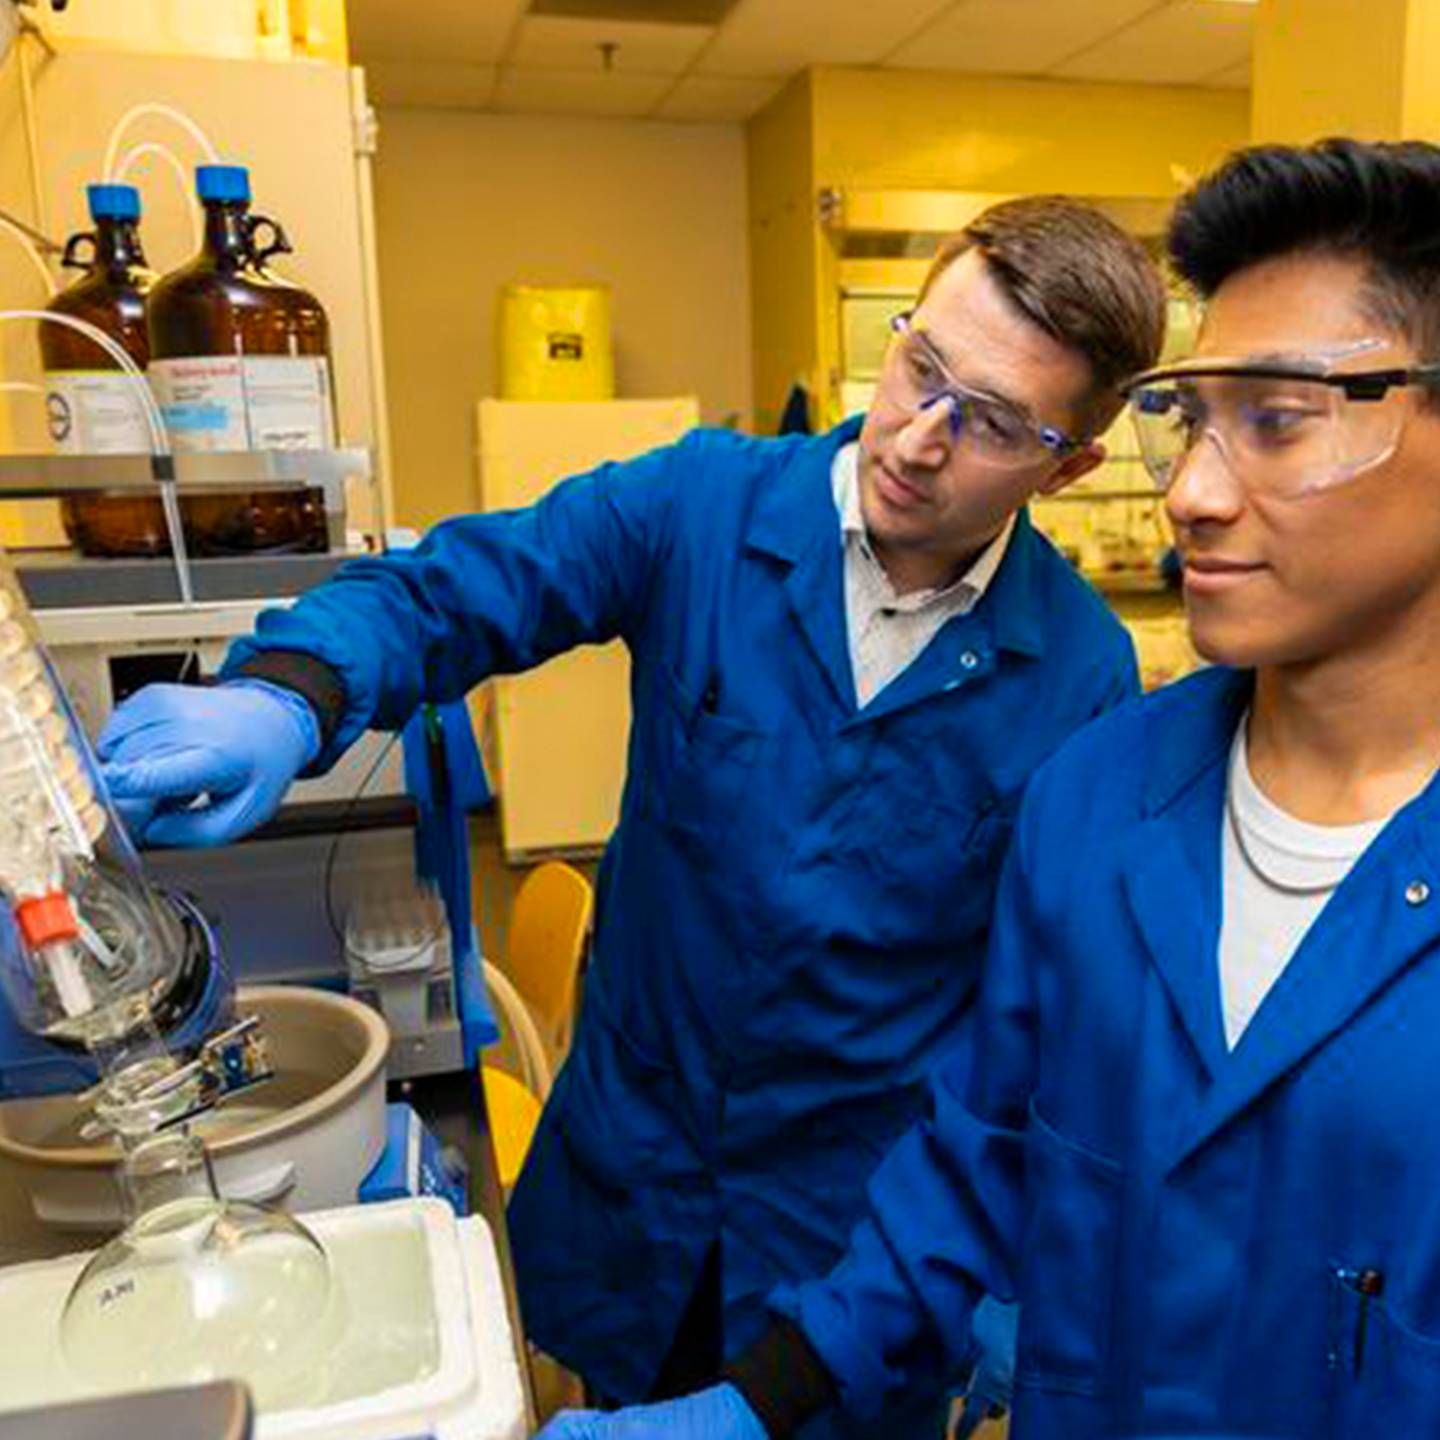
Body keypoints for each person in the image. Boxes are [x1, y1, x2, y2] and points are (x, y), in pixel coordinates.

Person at [97, 197, 1163, 1433]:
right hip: (639, 1189)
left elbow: (1033, 1030)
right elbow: (458, 590)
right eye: (920, 366)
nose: (919, 438)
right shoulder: (704, 507)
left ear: (1069, 463)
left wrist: (996, 1292)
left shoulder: (1080, 672)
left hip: (851, 1258)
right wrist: (292, 695)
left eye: (985, 422)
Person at [531, 136, 1440, 1440]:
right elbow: (980, 1158)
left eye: (1278, 422)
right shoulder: (1099, 797)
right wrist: (755, 1405)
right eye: (1192, 422)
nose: (1189, 493)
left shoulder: (1067, 672)